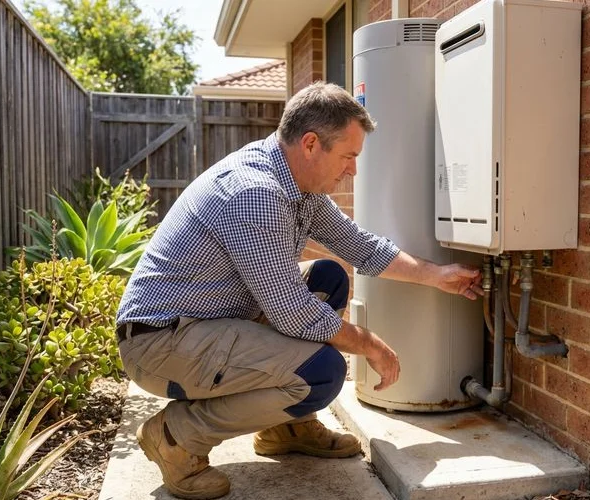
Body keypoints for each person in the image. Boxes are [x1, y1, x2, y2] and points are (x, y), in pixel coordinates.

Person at [116, 81, 484, 500]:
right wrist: (370, 345)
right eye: (348, 156)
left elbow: (358, 246)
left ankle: (284, 427)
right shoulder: (255, 192)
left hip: (208, 318)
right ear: (311, 144)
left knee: (327, 276)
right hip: (161, 342)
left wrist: (436, 275)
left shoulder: (297, 185)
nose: (353, 170)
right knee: (322, 373)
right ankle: (176, 436)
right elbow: (294, 312)